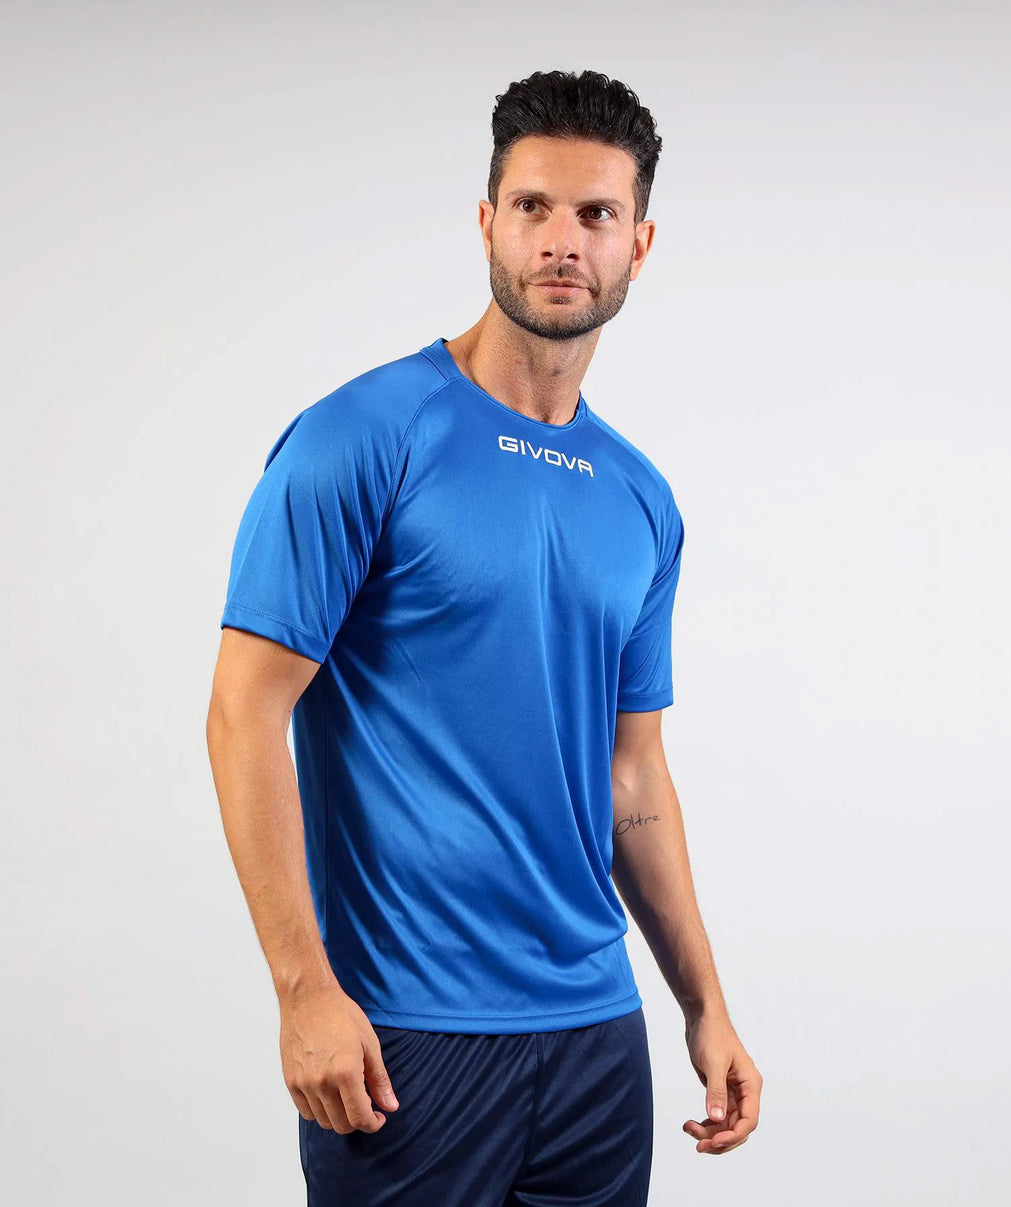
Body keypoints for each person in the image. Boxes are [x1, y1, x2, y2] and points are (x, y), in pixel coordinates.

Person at [206, 68, 762, 1206]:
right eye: (532, 206)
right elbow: (242, 711)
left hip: (597, 1035)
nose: (562, 240)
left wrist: (703, 1004)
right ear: (487, 221)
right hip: (405, 1035)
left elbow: (632, 773)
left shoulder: (640, 499)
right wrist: (303, 990)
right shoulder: (363, 436)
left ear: (639, 243)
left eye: (596, 213)